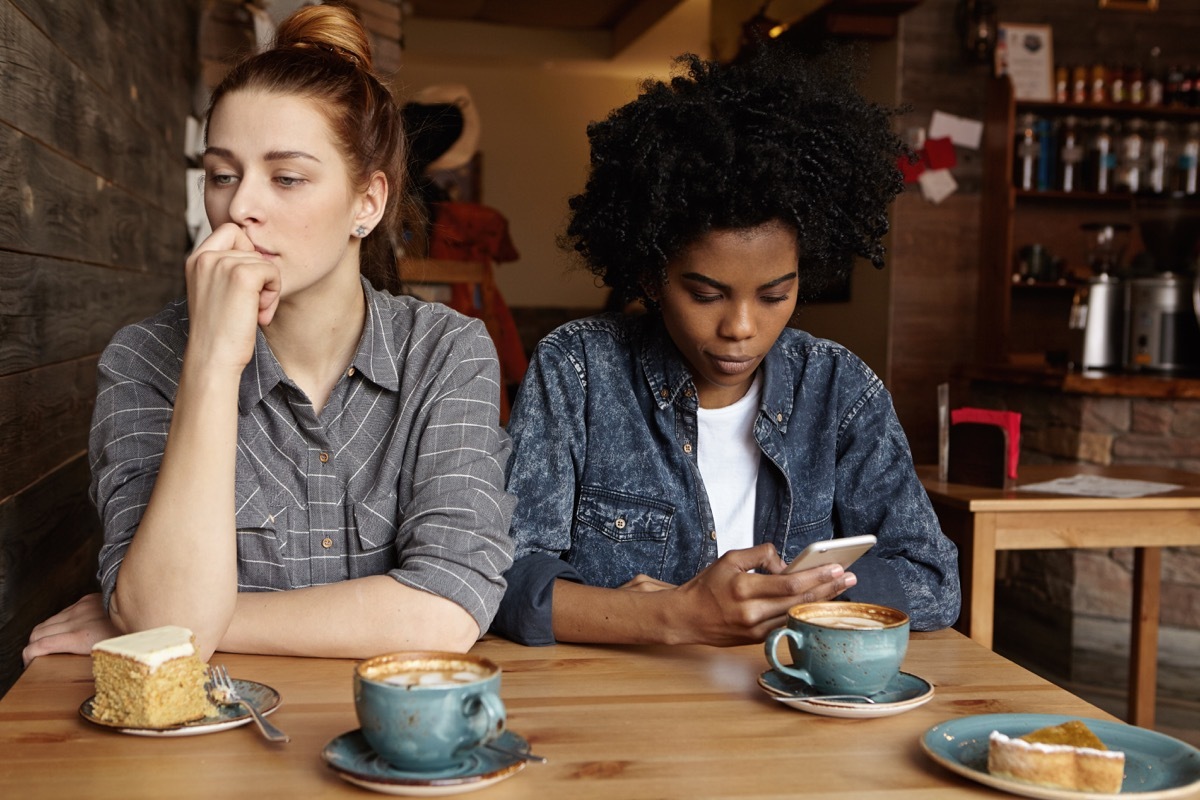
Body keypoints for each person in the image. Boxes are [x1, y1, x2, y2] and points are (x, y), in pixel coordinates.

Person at [24, 3, 514, 665]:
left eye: (287, 178)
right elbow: (167, 623)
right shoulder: (144, 358)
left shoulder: (446, 351)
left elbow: (448, 612)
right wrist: (213, 362)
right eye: (223, 175)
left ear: (367, 203)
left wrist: (187, 622)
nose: (241, 205)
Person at [491, 45, 960, 647]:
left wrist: (785, 598)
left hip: (788, 706)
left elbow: (932, 578)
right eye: (706, 294)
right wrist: (672, 616)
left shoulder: (839, 390)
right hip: (624, 711)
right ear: (649, 275)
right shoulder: (579, 372)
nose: (741, 327)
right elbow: (503, 576)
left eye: (774, 295)